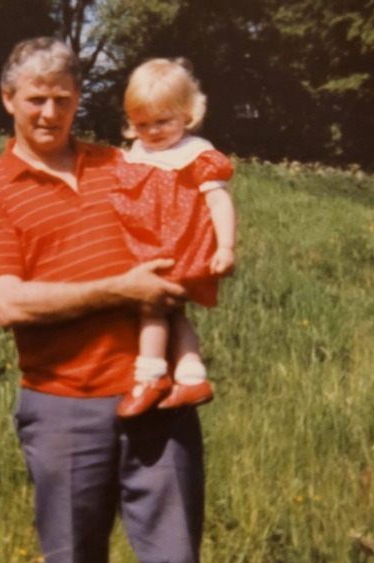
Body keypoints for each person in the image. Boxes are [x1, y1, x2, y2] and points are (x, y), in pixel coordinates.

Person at [0, 37, 207, 563]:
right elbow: (8, 303)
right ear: (7, 100)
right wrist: (120, 289)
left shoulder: (122, 164)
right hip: (63, 409)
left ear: (78, 102)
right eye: (35, 99)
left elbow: (189, 208)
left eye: (62, 100)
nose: (48, 113)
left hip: (159, 402)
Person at [111, 58, 238, 418]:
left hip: (179, 248)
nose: (152, 132)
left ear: (187, 113)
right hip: (148, 246)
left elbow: (218, 200)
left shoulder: (196, 154)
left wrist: (226, 246)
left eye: (163, 121)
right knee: (174, 312)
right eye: (142, 124)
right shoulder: (138, 154)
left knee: (151, 307)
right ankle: (192, 375)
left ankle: (150, 376)